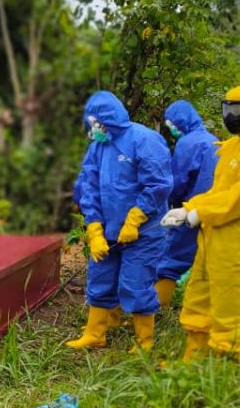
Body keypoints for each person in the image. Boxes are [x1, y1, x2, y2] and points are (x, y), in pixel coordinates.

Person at [162, 85, 240, 362]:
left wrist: (197, 214)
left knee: (232, 305)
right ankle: (192, 360)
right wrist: (189, 208)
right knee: (199, 296)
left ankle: (224, 371)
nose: (231, 116)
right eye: (227, 109)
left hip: (238, 244)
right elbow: (218, 192)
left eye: (238, 110)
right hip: (212, 236)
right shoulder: (232, 147)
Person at [66, 91, 172, 353]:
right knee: (100, 276)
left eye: (96, 123)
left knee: (135, 283)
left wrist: (135, 219)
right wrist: (94, 229)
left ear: (108, 119)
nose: (93, 129)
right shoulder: (98, 146)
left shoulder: (144, 139)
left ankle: (144, 342)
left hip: (145, 231)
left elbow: (158, 184)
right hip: (109, 229)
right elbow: (89, 188)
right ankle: (95, 333)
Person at [154, 100, 218, 310]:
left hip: (190, 208)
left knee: (169, 261)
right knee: (207, 261)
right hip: (214, 209)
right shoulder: (213, 140)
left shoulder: (188, 143)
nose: (171, 127)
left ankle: (157, 309)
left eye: (171, 123)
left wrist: (172, 203)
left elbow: (178, 179)